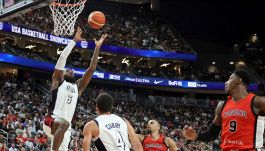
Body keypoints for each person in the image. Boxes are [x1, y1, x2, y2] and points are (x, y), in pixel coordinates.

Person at [43, 27, 107, 151]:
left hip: (65, 128)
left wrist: (97, 47)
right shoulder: (57, 81)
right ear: (63, 73)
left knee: (65, 126)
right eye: (67, 69)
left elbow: (92, 68)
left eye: (72, 70)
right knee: (64, 124)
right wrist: (74, 41)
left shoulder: (78, 87)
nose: (70, 70)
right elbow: (62, 58)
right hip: (51, 120)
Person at [183, 69, 265, 151]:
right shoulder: (222, 105)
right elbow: (212, 134)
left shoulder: (258, 102)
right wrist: (196, 136)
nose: (226, 82)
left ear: (238, 80)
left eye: (230, 78)